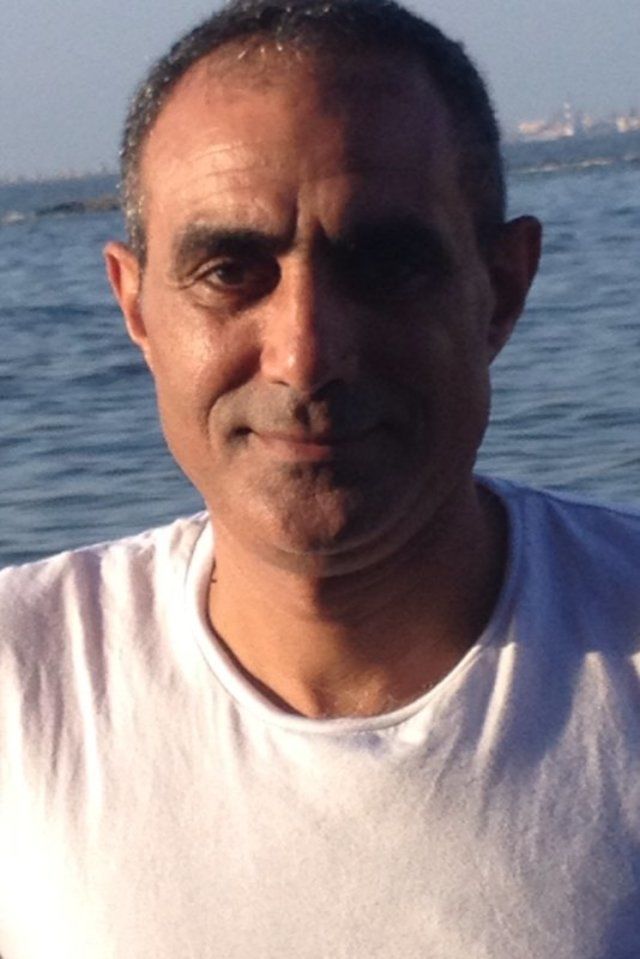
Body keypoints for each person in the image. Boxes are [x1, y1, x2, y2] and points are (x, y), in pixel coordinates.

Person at [1, 0, 639, 955]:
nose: (305, 356)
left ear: (501, 289)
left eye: (385, 265)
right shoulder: (24, 691)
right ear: (136, 308)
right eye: (229, 271)